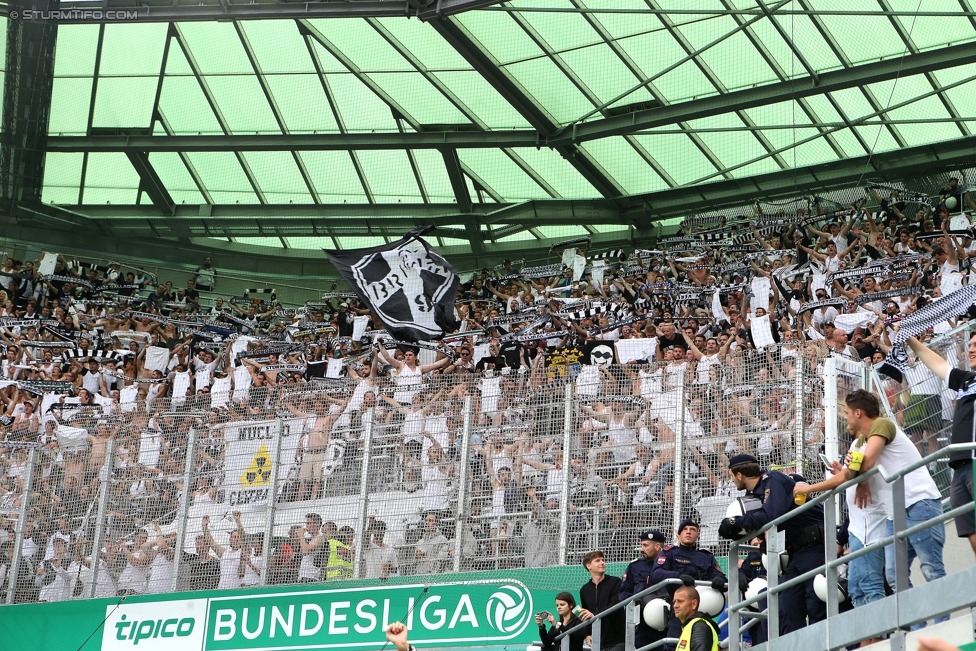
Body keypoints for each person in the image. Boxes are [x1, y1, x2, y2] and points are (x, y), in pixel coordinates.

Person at [796, 390, 946, 629]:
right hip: (894, 513)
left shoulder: (882, 425)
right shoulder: (862, 441)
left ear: (858, 413)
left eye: (846, 412)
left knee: (931, 569)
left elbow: (864, 464)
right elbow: (852, 472)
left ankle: (943, 627)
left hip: (919, 503)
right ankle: (917, 631)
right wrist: (856, 479)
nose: (845, 417)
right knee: (895, 577)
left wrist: (810, 487)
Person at [719, 454, 826, 635]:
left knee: (816, 602)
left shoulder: (773, 480)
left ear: (739, 475)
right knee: (786, 604)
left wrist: (736, 522)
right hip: (797, 552)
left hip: (815, 544)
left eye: (731, 475)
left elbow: (771, 515)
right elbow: (756, 524)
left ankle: (823, 645)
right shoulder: (752, 495)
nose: (732, 480)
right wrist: (733, 528)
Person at [905, 332, 976, 559]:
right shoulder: (966, 379)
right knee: (970, 529)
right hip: (959, 466)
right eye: (971, 345)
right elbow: (938, 364)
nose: (971, 349)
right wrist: (911, 340)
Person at [648, 520, 727, 649]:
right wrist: (677, 576)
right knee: (673, 645)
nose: (688, 532)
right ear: (678, 534)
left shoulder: (706, 556)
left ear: (698, 534)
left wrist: (719, 578)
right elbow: (656, 574)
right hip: (680, 610)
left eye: (692, 529)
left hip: (704, 610)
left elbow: (719, 575)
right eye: (685, 529)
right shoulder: (669, 552)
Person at [619, 530, 666, 649]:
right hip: (642, 624)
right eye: (642, 545)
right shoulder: (635, 566)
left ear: (657, 546)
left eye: (645, 545)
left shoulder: (669, 565)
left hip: (666, 621)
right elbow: (624, 592)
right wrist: (637, 601)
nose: (641, 549)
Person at [578, 551, 625, 651]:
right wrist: (586, 634)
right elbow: (585, 613)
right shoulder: (584, 590)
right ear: (588, 566)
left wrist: (595, 615)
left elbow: (616, 604)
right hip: (598, 642)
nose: (602, 562)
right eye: (597, 560)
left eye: (603, 560)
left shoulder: (615, 582)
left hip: (617, 640)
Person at [672, 585, 720, 651]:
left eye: (680, 601)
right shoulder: (690, 626)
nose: (675, 606)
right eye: (674, 602)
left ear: (694, 604)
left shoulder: (700, 626)